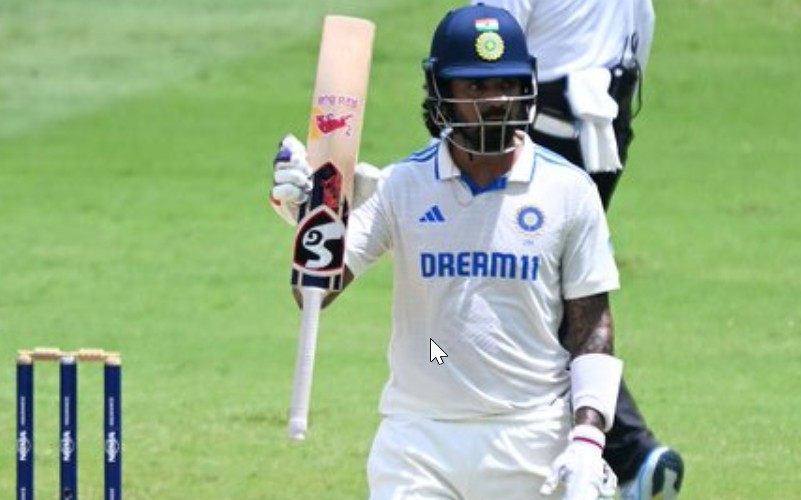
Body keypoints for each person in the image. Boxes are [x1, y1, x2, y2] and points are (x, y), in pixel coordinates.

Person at [273, 5, 627, 499]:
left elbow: (592, 326)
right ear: (441, 91)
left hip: (531, 433)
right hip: (419, 436)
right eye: (475, 86)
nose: (494, 100)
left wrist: (588, 441)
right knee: (438, 351)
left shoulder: (569, 191)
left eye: (505, 84)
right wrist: (315, 215)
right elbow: (313, 292)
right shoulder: (401, 186)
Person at [467, 2, 685, 499]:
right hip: (607, 123)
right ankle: (619, 453)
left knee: (517, 297)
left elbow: (486, 50)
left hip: (535, 130)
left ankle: (622, 453)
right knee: (554, 294)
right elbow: (642, 24)